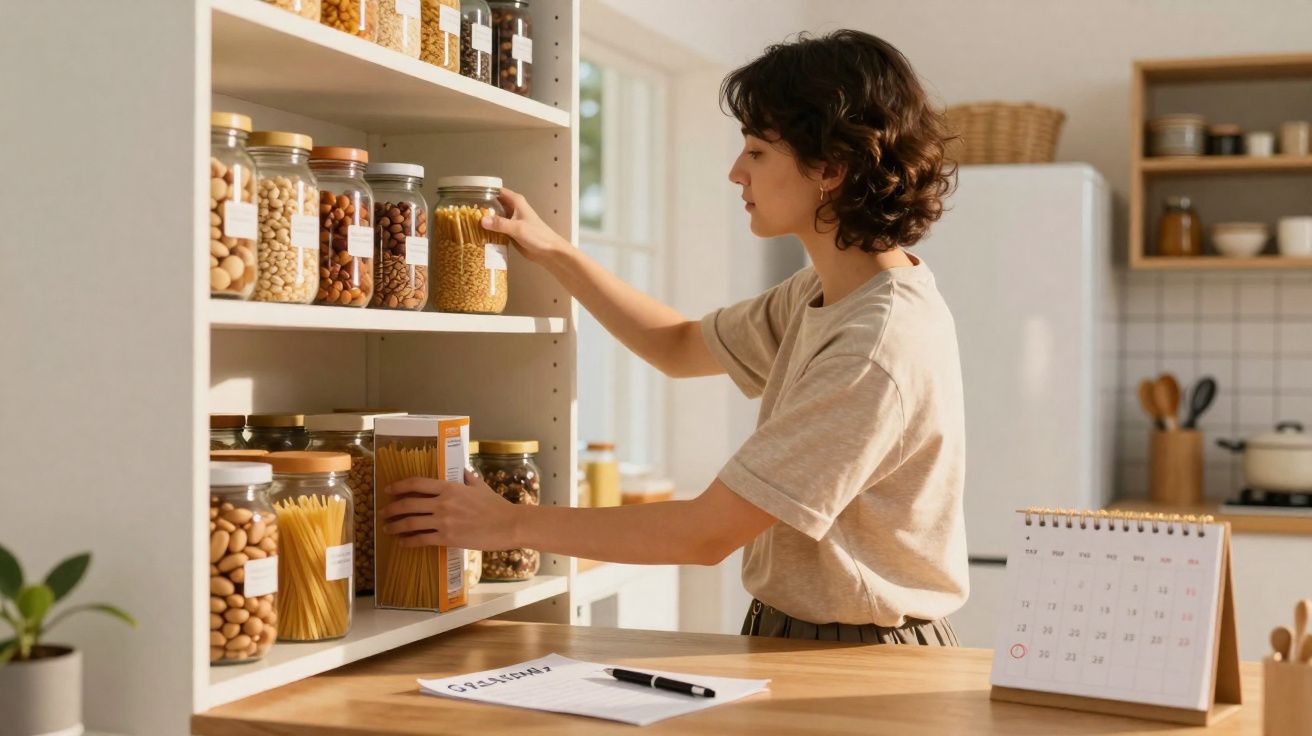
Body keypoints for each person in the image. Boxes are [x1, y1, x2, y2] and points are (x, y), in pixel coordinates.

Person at [382, 29, 967, 644]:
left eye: (757, 152)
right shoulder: (821, 294)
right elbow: (681, 346)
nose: (735, 172)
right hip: (802, 633)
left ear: (830, 168)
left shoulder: (873, 344)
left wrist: (508, 526)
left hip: (861, 652)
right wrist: (556, 253)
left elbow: (704, 533)